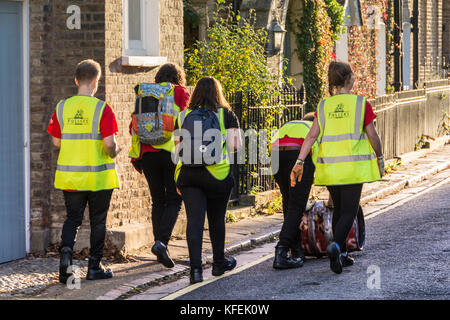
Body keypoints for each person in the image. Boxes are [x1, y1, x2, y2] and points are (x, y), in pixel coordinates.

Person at [290, 61, 384, 274]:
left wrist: (299, 161)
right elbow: (373, 136)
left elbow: (311, 136)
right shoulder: (361, 104)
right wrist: (380, 157)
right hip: (352, 169)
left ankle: (341, 254)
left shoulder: (323, 106)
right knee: (349, 210)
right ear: (349, 79)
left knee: (339, 209)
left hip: (331, 169)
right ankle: (335, 246)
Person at [47, 59, 121, 283]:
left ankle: (66, 260)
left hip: (71, 177)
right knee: (98, 222)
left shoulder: (62, 107)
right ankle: (94, 268)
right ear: (96, 81)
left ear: (76, 80)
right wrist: (116, 151)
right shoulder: (102, 109)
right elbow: (109, 145)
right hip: (98, 179)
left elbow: (56, 142)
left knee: (73, 219)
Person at [174, 77, 242, 284]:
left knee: (194, 220)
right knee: (216, 220)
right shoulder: (226, 115)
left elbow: (177, 147)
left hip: (188, 175)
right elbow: (235, 147)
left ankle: (195, 271)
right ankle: (219, 264)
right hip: (217, 176)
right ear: (217, 94)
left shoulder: (183, 115)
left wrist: (177, 178)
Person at [128, 63, 190, 268]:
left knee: (157, 200)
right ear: (178, 77)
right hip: (171, 153)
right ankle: (161, 243)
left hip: (148, 153)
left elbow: (133, 126)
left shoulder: (145, 94)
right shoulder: (180, 92)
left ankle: (159, 248)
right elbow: (186, 122)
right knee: (174, 198)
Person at [271, 113, 318, 269]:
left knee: (289, 202)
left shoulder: (291, 124)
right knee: (297, 205)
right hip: (297, 155)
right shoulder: (314, 129)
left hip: (277, 156)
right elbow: (320, 159)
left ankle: (296, 250)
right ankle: (282, 250)